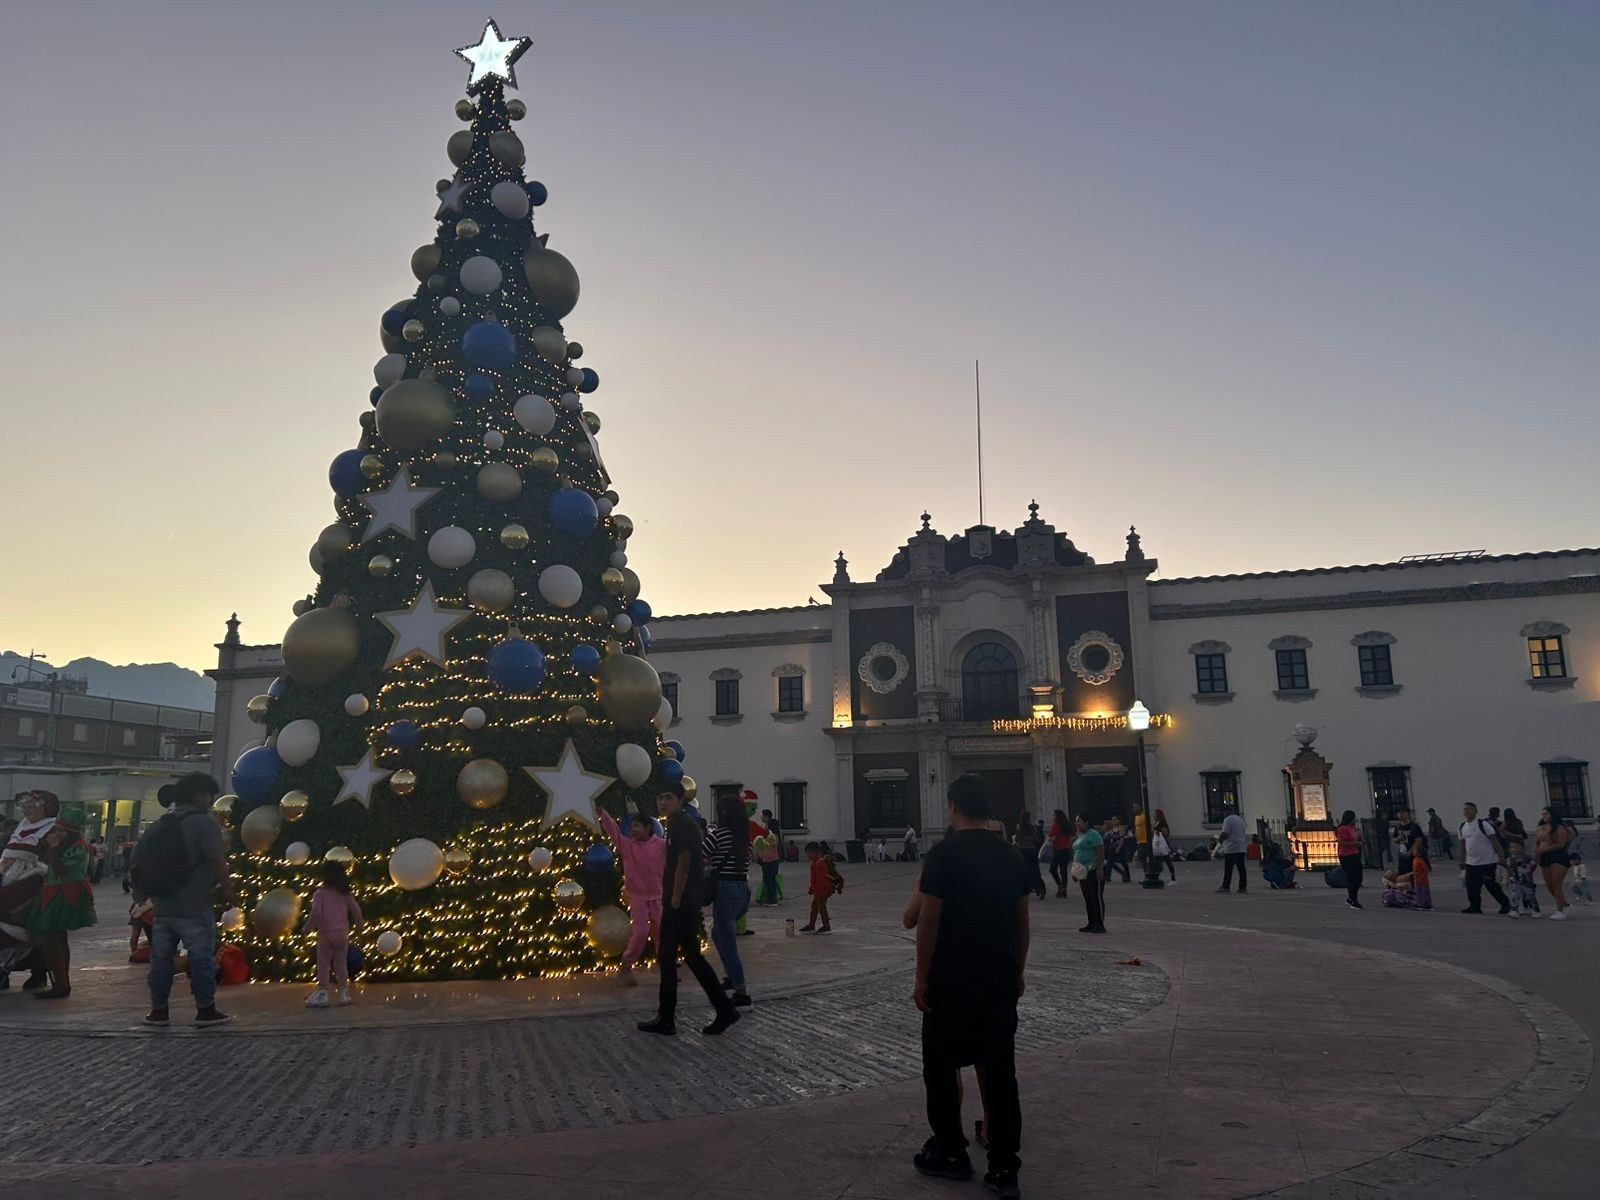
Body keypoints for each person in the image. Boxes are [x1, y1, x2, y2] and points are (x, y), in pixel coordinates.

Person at [910, 776, 1030, 1199]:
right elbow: (1022, 922)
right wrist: (1017, 970)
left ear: (954, 806)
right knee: (1000, 1071)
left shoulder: (944, 854)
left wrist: (921, 976)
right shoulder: (1012, 856)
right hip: (998, 975)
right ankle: (1003, 1166)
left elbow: (928, 921)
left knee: (941, 1066)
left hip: (951, 975)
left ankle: (951, 1151)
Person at [637, 782, 740, 1037]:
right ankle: (720, 1010)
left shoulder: (682, 824)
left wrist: (675, 898)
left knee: (671, 958)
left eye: (668, 797)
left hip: (680, 904)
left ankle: (668, 1018)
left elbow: (684, 863)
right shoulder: (676, 823)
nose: (663, 802)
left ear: (680, 799)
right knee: (688, 958)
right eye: (660, 797)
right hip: (683, 902)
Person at [131, 772, 232, 1026]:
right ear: (199, 794)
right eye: (209, 795)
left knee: (161, 960)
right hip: (195, 904)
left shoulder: (159, 824)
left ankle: (159, 1011)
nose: (210, 800)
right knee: (201, 959)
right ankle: (205, 1009)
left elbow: (136, 862)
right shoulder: (203, 823)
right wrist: (230, 888)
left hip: (163, 906)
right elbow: (217, 860)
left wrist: (141, 894)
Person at [23, 794, 97, 999]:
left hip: (64, 894)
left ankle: (61, 985)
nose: (57, 832)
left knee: (53, 940)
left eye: (62, 830)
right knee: (54, 940)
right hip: (52, 892)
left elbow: (62, 869)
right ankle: (61, 982)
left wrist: (54, 848)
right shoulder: (66, 844)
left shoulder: (79, 847)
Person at [600, 808, 666, 982]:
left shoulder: (661, 845)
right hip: (637, 896)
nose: (633, 829)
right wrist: (604, 816)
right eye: (632, 826)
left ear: (648, 827)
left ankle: (665, 966)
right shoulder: (627, 846)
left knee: (661, 931)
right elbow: (614, 831)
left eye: (637, 826)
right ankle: (626, 966)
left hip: (658, 895)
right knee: (641, 932)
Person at [706, 792, 754, 1007]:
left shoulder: (718, 834)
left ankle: (742, 995)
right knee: (718, 932)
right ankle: (730, 977)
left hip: (725, 890)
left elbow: (700, 853)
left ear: (723, 813)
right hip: (743, 890)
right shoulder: (745, 838)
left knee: (729, 944)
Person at [303, 860, 362, 1008]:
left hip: (325, 934)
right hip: (342, 934)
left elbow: (316, 913)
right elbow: (355, 909)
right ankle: (343, 993)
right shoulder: (345, 894)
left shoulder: (320, 894)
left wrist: (308, 928)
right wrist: (360, 925)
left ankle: (323, 992)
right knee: (341, 964)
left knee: (323, 963)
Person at [1458, 801, 1511, 916]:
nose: (1466, 812)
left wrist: (1501, 857)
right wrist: (1462, 859)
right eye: (1465, 810)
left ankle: (1505, 903)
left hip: (1487, 861)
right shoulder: (1463, 826)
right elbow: (1463, 845)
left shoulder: (1483, 825)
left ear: (1475, 811)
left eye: (1469, 809)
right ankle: (1475, 906)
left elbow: (1495, 842)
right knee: (1471, 885)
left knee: (1491, 885)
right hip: (1471, 862)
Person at [1534, 807, 1573, 921]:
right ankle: (1564, 904)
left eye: (1546, 813)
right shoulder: (1541, 827)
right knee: (1549, 885)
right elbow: (1537, 842)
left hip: (1558, 856)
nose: (1544, 816)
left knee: (1557, 884)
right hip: (1545, 857)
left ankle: (1559, 910)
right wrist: (1536, 853)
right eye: (1543, 814)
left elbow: (1560, 844)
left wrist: (1544, 850)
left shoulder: (1560, 828)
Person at [1073, 814, 1106, 934]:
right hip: (1082, 871)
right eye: (1076, 821)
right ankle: (1091, 922)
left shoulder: (1093, 834)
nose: (1077, 823)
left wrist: (1100, 869)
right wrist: (1074, 871)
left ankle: (1099, 923)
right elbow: (1077, 852)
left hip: (1093, 869)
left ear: (1087, 822)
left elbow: (1100, 852)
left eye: (1079, 821)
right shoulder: (1080, 835)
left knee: (1095, 896)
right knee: (1087, 897)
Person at [802, 842, 836, 934]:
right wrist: (812, 888)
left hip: (823, 891)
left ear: (813, 852)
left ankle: (826, 926)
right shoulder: (814, 863)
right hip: (818, 890)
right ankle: (811, 925)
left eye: (808, 853)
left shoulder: (820, 863)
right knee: (814, 907)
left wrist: (819, 892)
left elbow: (822, 880)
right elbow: (814, 878)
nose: (807, 856)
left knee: (822, 908)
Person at [1012, 810, 1046, 900]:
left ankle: (1025, 888)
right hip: (1032, 850)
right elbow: (1036, 840)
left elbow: (1017, 839)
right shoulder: (1032, 828)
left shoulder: (1018, 827)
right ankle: (1040, 887)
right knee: (1035, 870)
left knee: (1024, 870)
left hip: (1022, 851)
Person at [1215, 804, 1248, 894]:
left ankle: (1226, 886)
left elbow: (1225, 833)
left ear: (1226, 812)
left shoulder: (1228, 820)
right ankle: (1243, 887)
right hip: (1241, 847)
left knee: (1228, 868)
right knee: (1241, 868)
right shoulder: (1240, 819)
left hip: (1231, 847)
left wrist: (1219, 842)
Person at [1335, 810, 1364, 910]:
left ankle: (1351, 896)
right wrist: (1355, 843)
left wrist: (1359, 835)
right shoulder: (1342, 829)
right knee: (1352, 877)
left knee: (1358, 877)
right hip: (1346, 855)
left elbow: (1360, 840)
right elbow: (1342, 843)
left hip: (1355, 853)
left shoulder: (1353, 829)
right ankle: (1353, 899)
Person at [1048, 810, 1073, 897]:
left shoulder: (1055, 825)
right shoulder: (1067, 825)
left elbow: (1053, 838)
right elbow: (1070, 839)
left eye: (1054, 815)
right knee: (1063, 870)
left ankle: (1060, 885)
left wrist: (1049, 839)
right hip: (1066, 849)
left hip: (1058, 849)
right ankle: (1064, 889)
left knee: (1052, 869)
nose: (1053, 817)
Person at [1391, 808, 1425, 875]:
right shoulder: (1398, 826)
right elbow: (1394, 839)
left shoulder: (1414, 826)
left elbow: (1418, 841)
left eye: (1402, 813)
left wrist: (1410, 852)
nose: (1400, 815)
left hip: (1413, 855)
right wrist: (1397, 839)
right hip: (1402, 854)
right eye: (1398, 813)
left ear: (1408, 814)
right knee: (1402, 875)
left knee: (1412, 874)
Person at [1103, 818, 1131, 883]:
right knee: (1110, 863)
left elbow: (1122, 839)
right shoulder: (1112, 830)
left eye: (1115, 819)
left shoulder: (1120, 829)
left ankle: (1125, 875)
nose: (1113, 821)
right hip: (1111, 848)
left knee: (1122, 862)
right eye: (1112, 820)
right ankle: (1109, 877)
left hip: (1117, 847)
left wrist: (1118, 847)